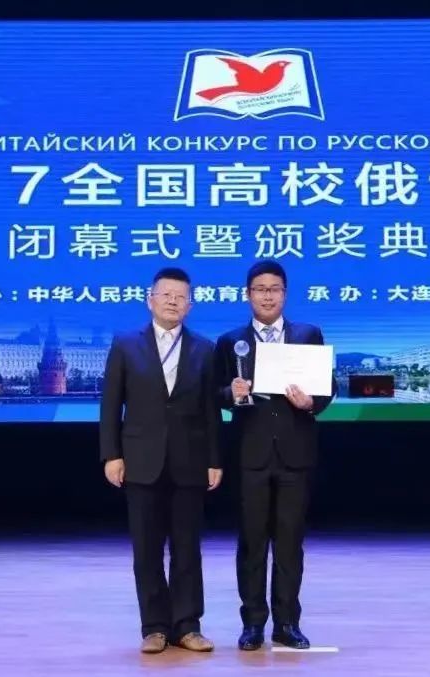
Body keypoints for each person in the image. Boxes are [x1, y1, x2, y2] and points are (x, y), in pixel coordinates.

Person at [100, 267, 223, 654]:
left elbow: (210, 411)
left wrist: (215, 459)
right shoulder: (126, 344)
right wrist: (111, 454)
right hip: (141, 459)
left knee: (187, 549)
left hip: (190, 460)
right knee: (147, 549)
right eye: (166, 294)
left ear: (190, 305)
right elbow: (110, 405)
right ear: (150, 300)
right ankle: (153, 627)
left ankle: (187, 626)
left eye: (180, 296)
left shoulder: (205, 348)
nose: (173, 301)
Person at [215, 260, 336, 651]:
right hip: (250, 455)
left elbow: (328, 388)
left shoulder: (308, 334)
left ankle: (287, 623)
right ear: (247, 294)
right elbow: (214, 394)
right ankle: (252, 624)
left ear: (285, 294)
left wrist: (310, 402)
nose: (267, 296)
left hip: (295, 455)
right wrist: (230, 394)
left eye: (275, 289)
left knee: (289, 544)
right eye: (260, 289)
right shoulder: (230, 341)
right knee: (251, 543)